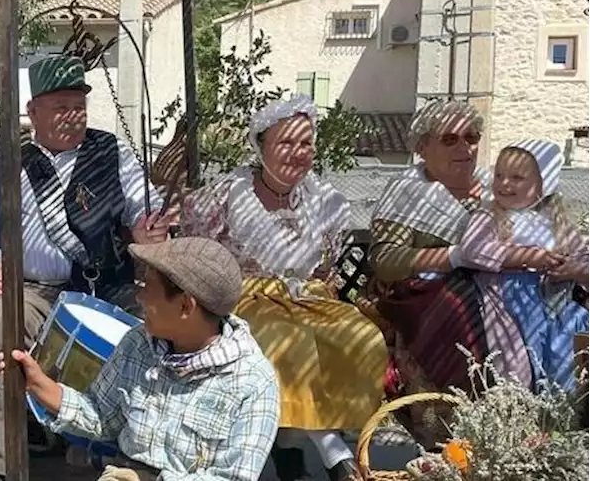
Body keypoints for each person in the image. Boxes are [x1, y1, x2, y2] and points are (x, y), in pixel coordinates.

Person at [0, 54, 170, 481]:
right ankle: (0, 465)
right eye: (61, 107)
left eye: (79, 106)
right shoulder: (3, 160)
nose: (72, 116)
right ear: (32, 111)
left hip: (101, 288)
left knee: (149, 332)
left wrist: (148, 231)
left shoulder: (111, 151)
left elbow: (144, 206)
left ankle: (126, 459)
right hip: (28, 290)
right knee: (4, 327)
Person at [181, 95, 386, 481]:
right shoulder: (228, 194)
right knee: (284, 341)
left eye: (305, 143)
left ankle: (291, 447)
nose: (298, 153)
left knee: (361, 335)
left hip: (307, 297)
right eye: (286, 143)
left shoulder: (325, 199)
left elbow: (327, 269)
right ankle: (332, 451)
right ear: (262, 147)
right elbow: (199, 256)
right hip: (245, 296)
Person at [5, 237, 279, 481]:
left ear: (186, 306)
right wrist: (38, 384)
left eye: (147, 287)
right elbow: (101, 415)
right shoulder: (138, 343)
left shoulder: (253, 383)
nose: (139, 297)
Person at [368, 100, 536, 446]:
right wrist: (452, 257)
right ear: (421, 147)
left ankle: (531, 426)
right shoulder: (408, 193)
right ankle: (453, 437)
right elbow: (384, 258)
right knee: (457, 308)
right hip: (424, 298)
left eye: (472, 138)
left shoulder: (497, 189)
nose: (465, 148)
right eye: (450, 140)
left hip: (497, 290)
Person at [460, 140, 590, 391]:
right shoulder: (488, 215)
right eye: (499, 175)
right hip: (507, 302)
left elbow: (584, 258)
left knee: (565, 359)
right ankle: (520, 411)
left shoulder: (556, 223)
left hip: (556, 303)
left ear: (544, 183)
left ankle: (560, 415)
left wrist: (571, 269)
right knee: (517, 365)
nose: (504, 184)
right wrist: (527, 257)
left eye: (516, 177)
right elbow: (472, 249)